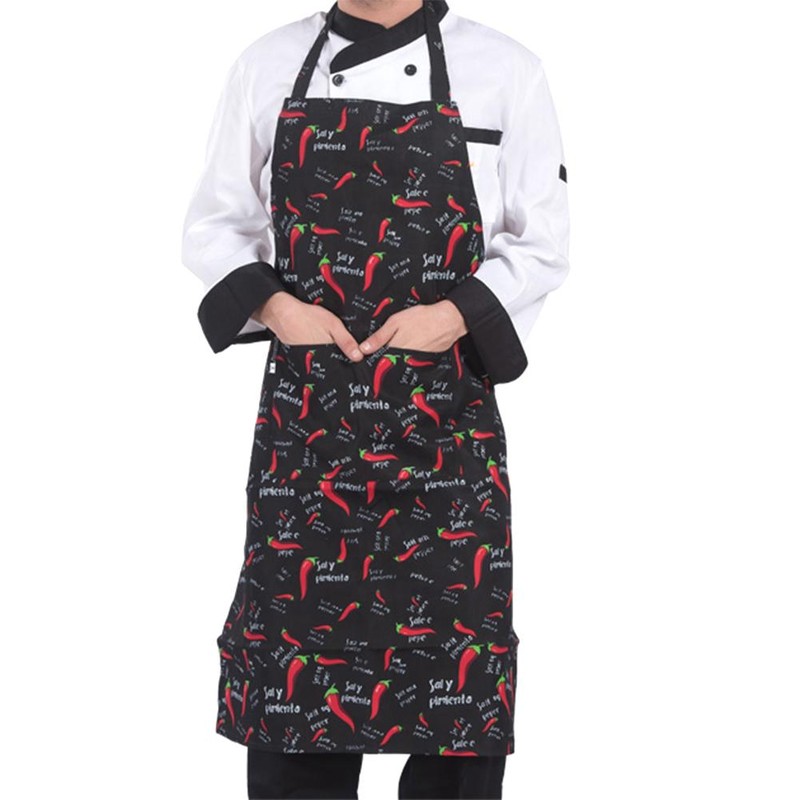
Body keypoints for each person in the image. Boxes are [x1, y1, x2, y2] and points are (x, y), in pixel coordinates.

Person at [181, 1, 570, 797]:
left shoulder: (508, 72)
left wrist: (454, 315)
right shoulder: (265, 65)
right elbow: (215, 225)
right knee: (297, 709)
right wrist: (280, 309)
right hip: (309, 434)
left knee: (457, 710)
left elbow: (542, 240)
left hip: (445, 439)